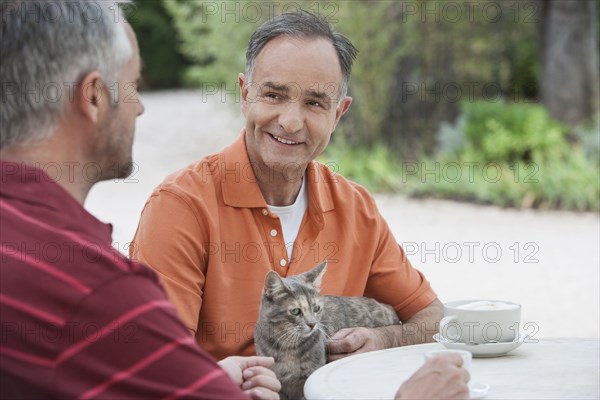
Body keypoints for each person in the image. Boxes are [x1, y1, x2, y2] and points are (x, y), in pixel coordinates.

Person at [0, 1, 280, 398]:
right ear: (94, 96)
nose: (141, 106)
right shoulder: (92, 288)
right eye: (132, 85)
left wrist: (195, 376)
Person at [130, 10, 443, 364]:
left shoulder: (355, 208)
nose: (291, 122)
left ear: (338, 114)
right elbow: (155, 368)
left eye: (314, 102)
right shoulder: (180, 207)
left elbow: (432, 319)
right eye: (274, 95)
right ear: (245, 95)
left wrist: (383, 339)